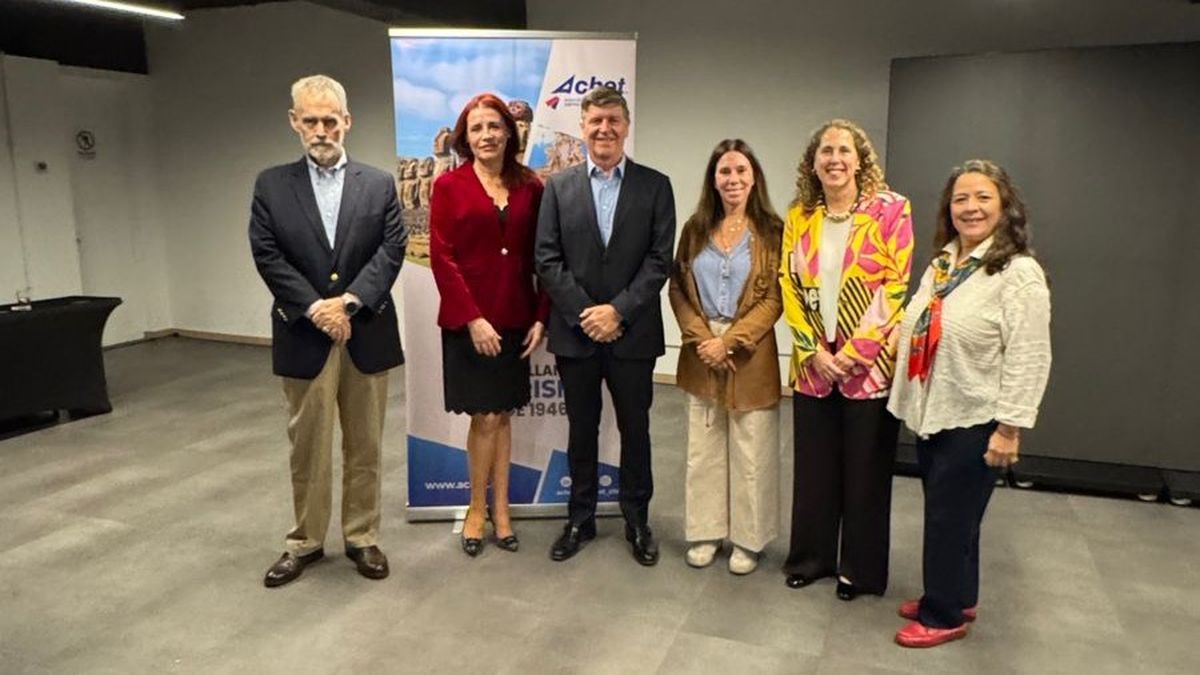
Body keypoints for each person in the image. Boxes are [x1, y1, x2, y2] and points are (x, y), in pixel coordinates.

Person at [249, 75, 406, 587]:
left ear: (347, 121)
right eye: (310, 120)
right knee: (308, 446)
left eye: (330, 120)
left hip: (367, 332)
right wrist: (317, 307)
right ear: (294, 122)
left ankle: (362, 536)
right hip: (305, 334)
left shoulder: (379, 183)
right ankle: (306, 541)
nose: (321, 129)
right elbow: (267, 253)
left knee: (365, 444)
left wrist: (350, 301)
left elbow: (391, 249)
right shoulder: (271, 185)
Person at [888, 159, 1051, 648]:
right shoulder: (945, 264)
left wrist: (1010, 428)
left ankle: (942, 616)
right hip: (936, 411)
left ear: (1004, 208)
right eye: (961, 198)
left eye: (982, 197)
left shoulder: (1018, 273)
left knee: (948, 519)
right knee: (958, 515)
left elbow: (1029, 354)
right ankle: (958, 593)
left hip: (976, 417)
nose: (970, 207)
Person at [534, 86, 676, 566]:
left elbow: (660, 261)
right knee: (582, 428)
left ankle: (637, 518)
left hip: (633, 334)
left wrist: (617, 311)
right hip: (576, 335)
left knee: (637, 429)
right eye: (595, 120)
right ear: (583, 126)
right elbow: (546, 259)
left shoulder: (656, 186)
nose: (604, 129)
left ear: (626, 125)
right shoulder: (558, 187)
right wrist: (586, 314)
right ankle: (580, 517)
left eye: (613, 119)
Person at [779, 119, 913, 599]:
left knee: (865, 471)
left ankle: (859, 569)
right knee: (813, 470)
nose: (834, 159)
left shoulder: (891, 210)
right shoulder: (800, 215)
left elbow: (896, 285)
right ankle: (811, 558)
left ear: (860, 160)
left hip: (869, 369)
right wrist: (813, 350)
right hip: (812, 366)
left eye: (844, 150)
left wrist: (856, 352)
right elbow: (788, 285)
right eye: (825, 151)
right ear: (813, 163)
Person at [429, 93, 547, 557]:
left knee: (502, 414)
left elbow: (544, 257)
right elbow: (442, 256)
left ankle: (503, 511)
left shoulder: (531, 187)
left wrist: (542, 316)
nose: (486, 135)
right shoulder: (449, 186)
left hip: (516, 317)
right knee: (484, 416)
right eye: (476, 128)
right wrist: (473, 318)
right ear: (465, 136)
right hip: (468, 322)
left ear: (509, 133)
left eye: (494, 126)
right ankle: (477, 509)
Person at [667, 139, 783, 575]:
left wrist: (731, 340)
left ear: (754, 177)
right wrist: (702, 338)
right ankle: (705, 532)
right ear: (713, 179)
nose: (732, 179)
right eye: (724, 172)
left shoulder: (773, 230)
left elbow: (775, 297)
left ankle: (749, 541)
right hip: (702, 350)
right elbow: (677, 287)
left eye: (740, 171)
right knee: (704, 447)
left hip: (749, 351)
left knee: (752, 448)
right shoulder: (696, 229)